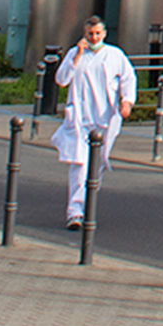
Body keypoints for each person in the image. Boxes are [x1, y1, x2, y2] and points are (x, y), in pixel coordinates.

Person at [50, 16, 138, 229]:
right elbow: (61, 80)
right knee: (79, 164)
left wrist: (127, 102)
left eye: (97, 33)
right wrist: (77, 56)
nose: (94, 37)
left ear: (104, 34)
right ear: (84, 33)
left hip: (105, 118)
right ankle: (75, 212)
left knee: (96, 165)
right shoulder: (74, 54)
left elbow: (128, 78)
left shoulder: (114, 55)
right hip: (80, 118)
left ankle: (86, 204)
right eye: (90, 34)